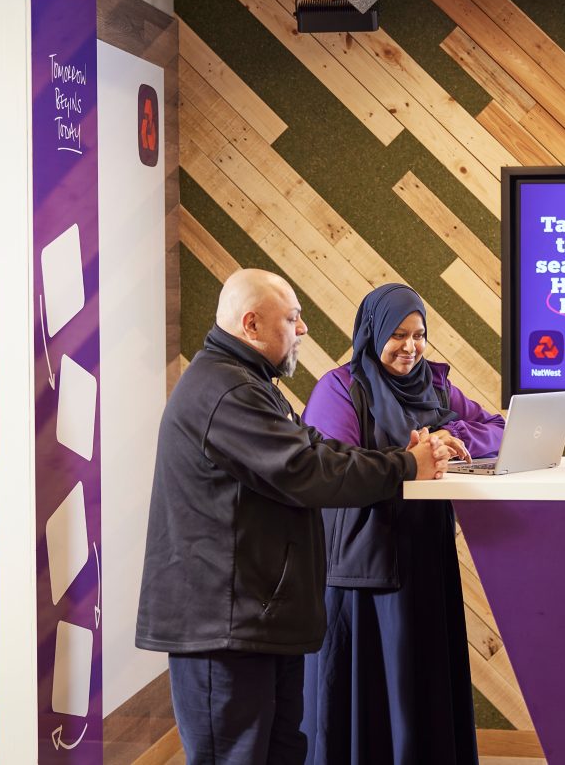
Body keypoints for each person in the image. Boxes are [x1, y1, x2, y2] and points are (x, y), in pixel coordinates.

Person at [135, 269, 454, 765]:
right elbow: (307, 470)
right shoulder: (225, 391)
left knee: (281, 752)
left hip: (258, 621)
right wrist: (407, 464)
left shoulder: (248, 382)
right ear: (251, 324)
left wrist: (400, 461)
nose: (303, 330)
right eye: (292, 318)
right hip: (225, 630)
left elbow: (313, 448)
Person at [301, 283, 506, 765]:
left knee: (419, 688)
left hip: (425, 563)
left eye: (419, 335)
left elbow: (497, 426)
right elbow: (334, 470)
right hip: (361, 573)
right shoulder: (339, 389)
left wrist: (448, 435)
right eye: (398, 335)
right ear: (371, 333)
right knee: (364, 694)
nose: (410, 347)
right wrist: (411, 458)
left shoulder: (435, 387)